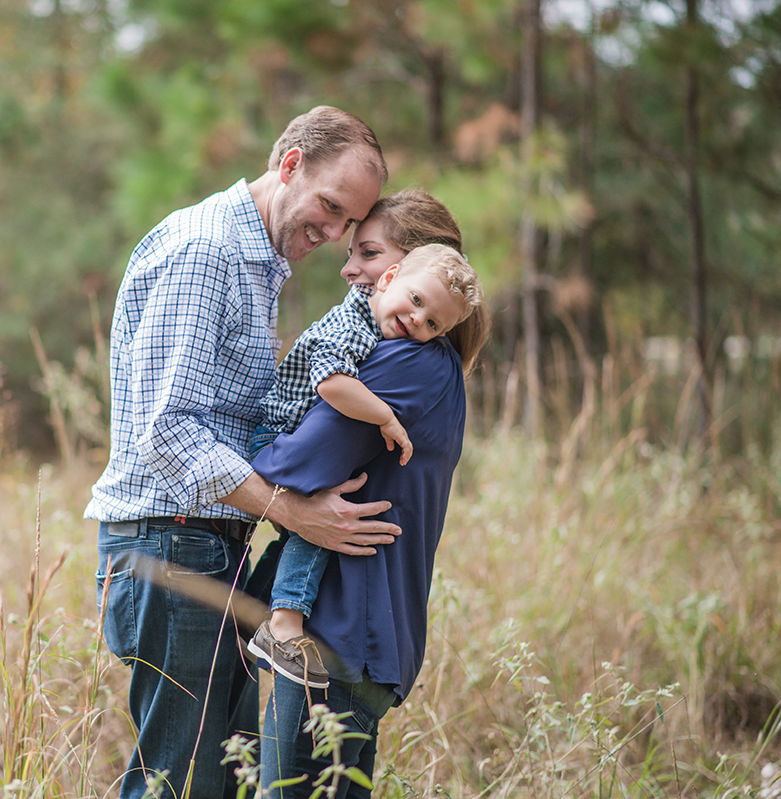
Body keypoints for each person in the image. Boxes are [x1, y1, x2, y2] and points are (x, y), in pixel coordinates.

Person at [86, 106, 399, 799]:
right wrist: (296, 511)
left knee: (217, 779)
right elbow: (166, 433)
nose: (333, 234)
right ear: (289, 164)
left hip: (208, 545)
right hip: (170, 547)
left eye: (349, 223)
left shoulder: (258, 263)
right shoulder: (210, 252)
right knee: (184, 784)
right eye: (328, 207)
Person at [251, 232, 492, 796]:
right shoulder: (436, 365)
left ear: (398, 266)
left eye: (369, 252)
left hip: (341, 629)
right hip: (373, 635)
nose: (350, 271)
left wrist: (241, 464)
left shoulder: (407, 360)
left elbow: (308, 459)